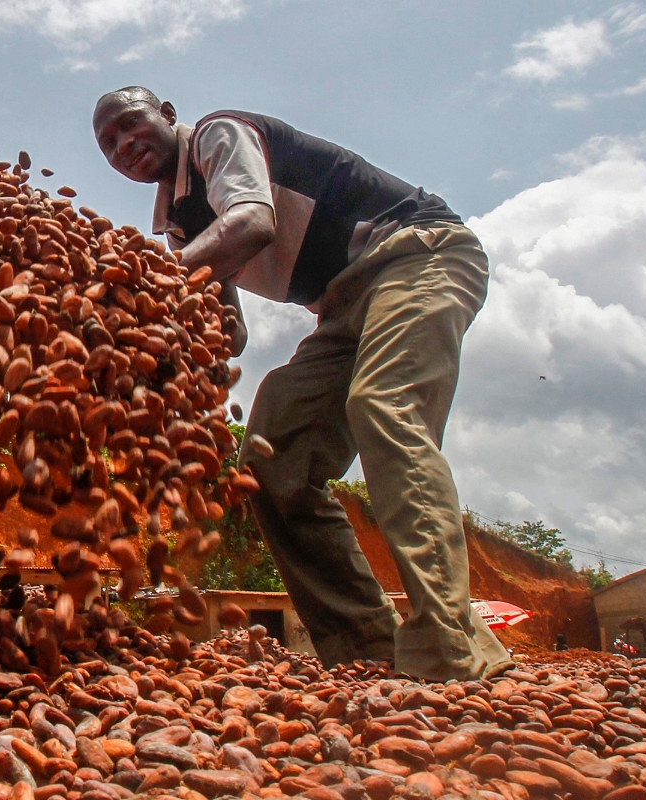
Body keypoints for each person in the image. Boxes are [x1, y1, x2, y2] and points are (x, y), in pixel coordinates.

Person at [92, 87, 513, 682]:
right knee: (271, 458)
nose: (122, 146)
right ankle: (368, 649)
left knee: (384, 407)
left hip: (416, 254)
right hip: (340, 307)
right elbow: (228, 332)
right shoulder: (180, 224)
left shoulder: (218, 135)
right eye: (107, 144)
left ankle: (448, 645)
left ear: (166, 114)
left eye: (130, 126)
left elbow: (251, 223)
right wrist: (143, 356)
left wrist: (142, 284)